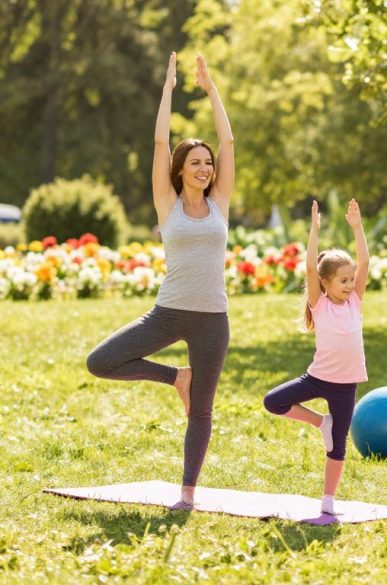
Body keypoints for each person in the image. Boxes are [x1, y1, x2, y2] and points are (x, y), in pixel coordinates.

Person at [86, 52, 234, 508]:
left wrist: (211, 91)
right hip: (167, 314)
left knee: (203, 412)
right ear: (180, 169)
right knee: (100, 361)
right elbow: (157, 143)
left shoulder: (219, 203)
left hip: (212, 321)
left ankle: (187, 493)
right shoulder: (166, 203)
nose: (205, 168)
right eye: (195, 162)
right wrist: (168, 90)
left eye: (207, 163)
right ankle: (175, 378)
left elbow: (229, 143)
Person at [263, 199, 368, 515]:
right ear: (325, 283)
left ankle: (328, 500)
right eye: (343, 280)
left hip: (345, 385)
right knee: (274, 402)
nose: (350, 285)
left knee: (338, 445)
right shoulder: (319, 303)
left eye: (351, 280)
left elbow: (364, 261)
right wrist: (314, 230)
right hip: (318, 378)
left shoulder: (355, 302)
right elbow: (309, 267)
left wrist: (357, 227)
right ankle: (319, 422)